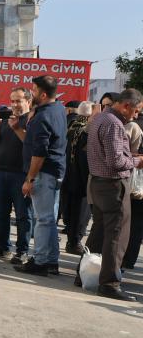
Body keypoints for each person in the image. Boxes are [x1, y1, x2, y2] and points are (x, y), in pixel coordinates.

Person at [79, 88, 143, 300]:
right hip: (113, 184)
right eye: (136, 111)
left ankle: (84, 274)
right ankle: (109, 283)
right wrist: (136, 161)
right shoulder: (114, 124)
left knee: (98, 231)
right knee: (117, 234)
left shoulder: (100, 118)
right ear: (126, 105)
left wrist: (128, 156)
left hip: (98, 182)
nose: (136, 116)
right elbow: (116, 162)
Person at [14, 76, 68, 276]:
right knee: (49, 219)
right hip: (55, 171)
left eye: (34, 91)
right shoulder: (58, 109)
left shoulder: (42, 117)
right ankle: (51, 261)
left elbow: (39, 153)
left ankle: (41, 261)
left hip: (44, 173)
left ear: (43, 94)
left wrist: (30, 179)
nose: (31, 94)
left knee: (43, 219)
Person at [0, 89, 34, 263]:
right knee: (1, 213)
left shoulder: (31, 120)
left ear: (28, 101)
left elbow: (32, 145)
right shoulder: (7, 119)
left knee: (23, 215)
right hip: (0, 171)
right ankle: (3, 247)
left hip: (21, 174)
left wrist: (17, 128)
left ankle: (22, 250)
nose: (14, 104)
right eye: (12, 101)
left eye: (18, 101)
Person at [62, 101, 94, 255]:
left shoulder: (71, 126)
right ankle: (75, 242)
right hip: (81, 177)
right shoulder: (87, 130)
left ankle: (71, 240)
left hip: (67, 174)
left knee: (70, 209)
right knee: (81, 212)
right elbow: (85, 158)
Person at [123, 119, 143, 270]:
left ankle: (126, 259)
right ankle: (128, 259)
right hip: (135, 183)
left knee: (132, 222)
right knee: (136, 224)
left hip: (133, 182)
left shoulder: (134, 124)